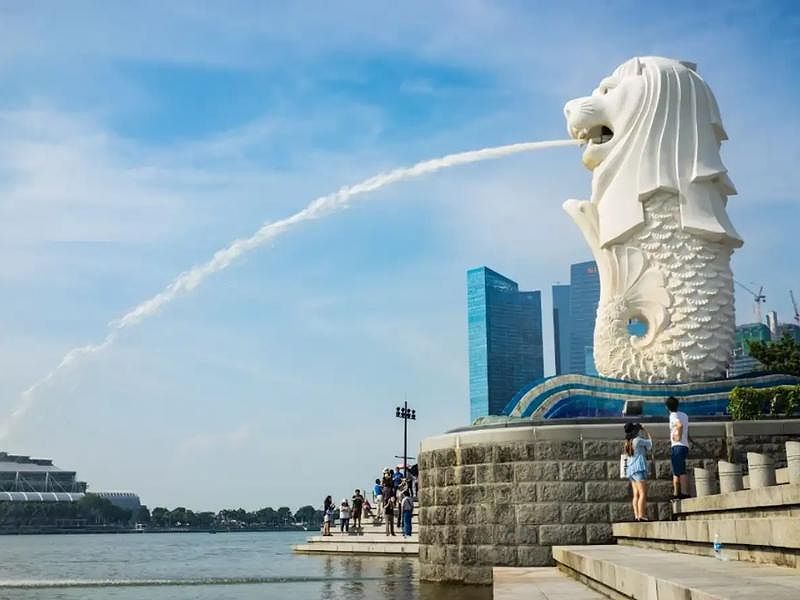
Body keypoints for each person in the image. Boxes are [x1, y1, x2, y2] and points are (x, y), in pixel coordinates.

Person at [624, 422, 652, 522]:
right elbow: (650, 444)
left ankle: (636, 515)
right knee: (643, 493)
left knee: (636, 494)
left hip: (631, 470)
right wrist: (645, 430)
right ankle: (642, 515)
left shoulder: (627, 442)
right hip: (639, 468)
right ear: (634, 431)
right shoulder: (638, 440)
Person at [666, 396, 690, 499]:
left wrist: (677, 436)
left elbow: (679, 425)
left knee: (678, 471)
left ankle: (683, 493)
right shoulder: (684, 415)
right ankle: (677, 493)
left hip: (677, 446)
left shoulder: (672, 416)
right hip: (684, 446)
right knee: (679, 469)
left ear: (667, 407)